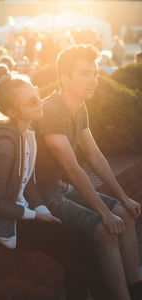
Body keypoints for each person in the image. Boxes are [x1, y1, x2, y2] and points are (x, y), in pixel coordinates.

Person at [0, 64, 112, 300]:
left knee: (74, 249)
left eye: (37, 94)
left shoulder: (26, 134)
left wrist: (43, 209)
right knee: (83, 243)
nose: (40, 102)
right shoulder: (4, 146)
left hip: (21, 211)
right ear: (13, 111)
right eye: (31, 101)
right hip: (3, 223)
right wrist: (36, 216)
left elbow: (28, 184)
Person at [34, 44, 142, 300]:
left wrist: (123, 198)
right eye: (85, 73)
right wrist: (104, 213)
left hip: (60, 187)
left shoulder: (78, 107)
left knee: (125, 216)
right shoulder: (51, 110)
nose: (93, 80)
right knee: (106, 230)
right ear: (65, 78)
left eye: (94, 73)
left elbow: (94, 156)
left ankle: (135, 289)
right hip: (43, 194)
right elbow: (72, 167)